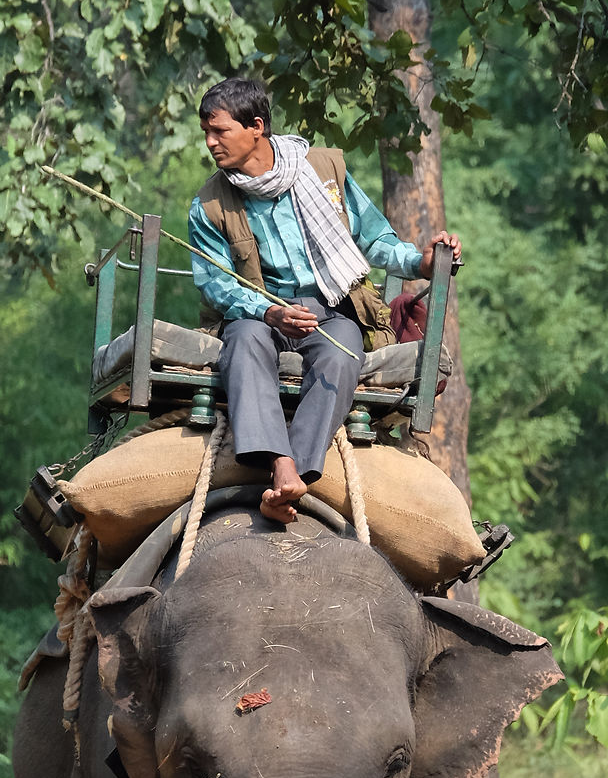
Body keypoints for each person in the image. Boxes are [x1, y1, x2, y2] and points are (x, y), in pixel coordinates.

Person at [189, 77, 461, 523]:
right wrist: (270, 311)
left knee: (343, 353)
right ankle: (283, 466)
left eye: (219, 131)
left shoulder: (323, 170)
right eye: (206, 132)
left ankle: (296, 471)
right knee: (244, 343)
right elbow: (217, 284)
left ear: (256, 127)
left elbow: (373, 239)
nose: (210, 142)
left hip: (330, 308)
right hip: (259, 314)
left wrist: (422, 263)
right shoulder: (208, 204)